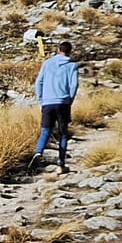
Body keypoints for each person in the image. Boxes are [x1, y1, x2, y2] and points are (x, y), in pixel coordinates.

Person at [31, 41, 80, 170]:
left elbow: (38, 82)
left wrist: (41, 100)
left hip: (47, 102)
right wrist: (70, 99)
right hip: (63, 102)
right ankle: (61, 162)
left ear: (58, 49)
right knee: (63, 133)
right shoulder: (72, 66)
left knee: (46, 130)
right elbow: (74, 85)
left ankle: (38, 152)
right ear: (70, 51)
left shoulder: (47, 64)